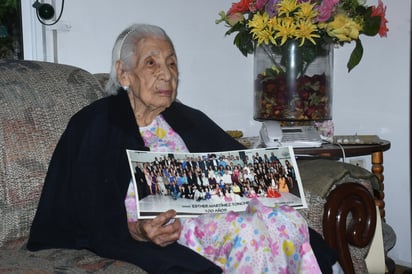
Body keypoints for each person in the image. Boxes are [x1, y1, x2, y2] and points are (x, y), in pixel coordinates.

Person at [27, 23, 336, 273]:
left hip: (218, 214)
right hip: (166, 228)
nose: (167, 73)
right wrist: (136, 230)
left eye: (172, 63)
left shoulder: (187, 118)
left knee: (285, 220)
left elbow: (241, 168)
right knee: (248, 233)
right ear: (124, 73)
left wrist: (275, 179)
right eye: (152, 63)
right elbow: (87, 209)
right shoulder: (96, 123)